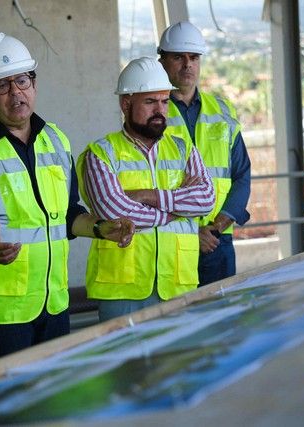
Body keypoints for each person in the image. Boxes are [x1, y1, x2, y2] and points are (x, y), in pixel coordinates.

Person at [0, 32, 134, 365]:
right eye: (2, 86)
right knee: (8, 411)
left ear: (34, 84)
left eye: (22, 81)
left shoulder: (55, 140)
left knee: (51, 404)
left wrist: (101, 228)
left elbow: (66, 216)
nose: (16, 94)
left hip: (53, 304)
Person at [77, 57, 214, 322]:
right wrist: (177, 211)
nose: (160, 110)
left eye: (164, 101)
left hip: (177, 284)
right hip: (122, 291)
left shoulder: (183, 148)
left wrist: (150, 196)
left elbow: (206, 199)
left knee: (178, 363)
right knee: (127, 364)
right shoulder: (102, 153)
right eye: (150, 102)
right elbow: (115, 212)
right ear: (126, 104)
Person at [158, 21, 251, 286]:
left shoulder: (222, 111)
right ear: (162, 60)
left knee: (221, 320)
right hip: (171, 240)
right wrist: (190, 231)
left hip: (217, 239)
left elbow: (242, 174)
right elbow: (147, 185)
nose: (187, 64)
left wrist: (216, 227)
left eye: (194, 57)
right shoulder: (151, 113)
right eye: (178, 57)